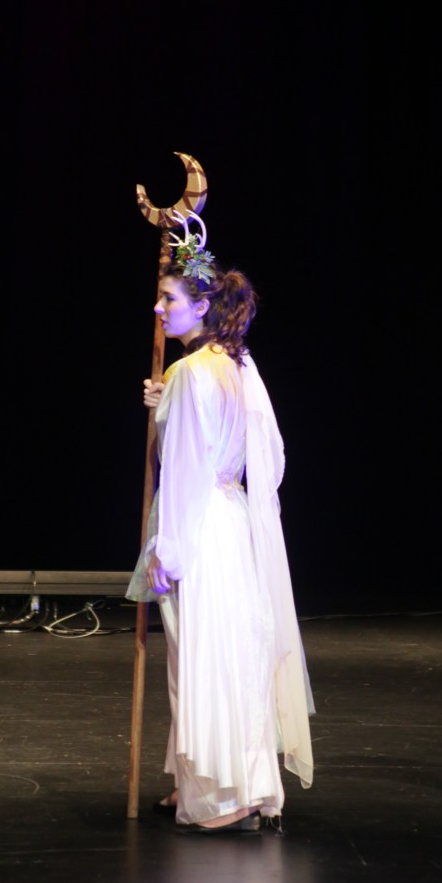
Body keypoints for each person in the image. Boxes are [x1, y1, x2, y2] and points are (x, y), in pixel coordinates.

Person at [126, 212, 314, 834]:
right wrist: (168, 410)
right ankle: (241, 784)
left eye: (169, 299)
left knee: (200, 658)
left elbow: (181, 472)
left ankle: (214, 796)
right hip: (231, 523)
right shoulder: (237, 366)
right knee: (236, 655)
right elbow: (270, 458)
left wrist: (167, 551)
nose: (159, 308)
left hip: (200, 526)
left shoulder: (187, 372)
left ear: (202, 305)